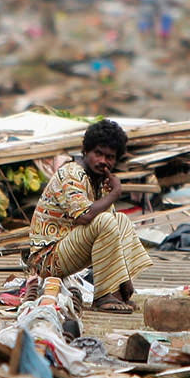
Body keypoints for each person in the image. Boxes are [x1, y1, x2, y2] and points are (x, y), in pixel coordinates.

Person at [26, 119, 152, 313]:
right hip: (48, 259)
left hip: (68, 249)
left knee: (121, 220)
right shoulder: (72, 173)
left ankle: (116, 291)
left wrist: (124, 278)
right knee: (104, 220)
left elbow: (113, 231)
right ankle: (103, 296)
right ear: (85, 151)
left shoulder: (98, 180)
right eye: (98, 153)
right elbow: (84, 217)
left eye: (109, 157)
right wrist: (115, 193)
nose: (103, 161)